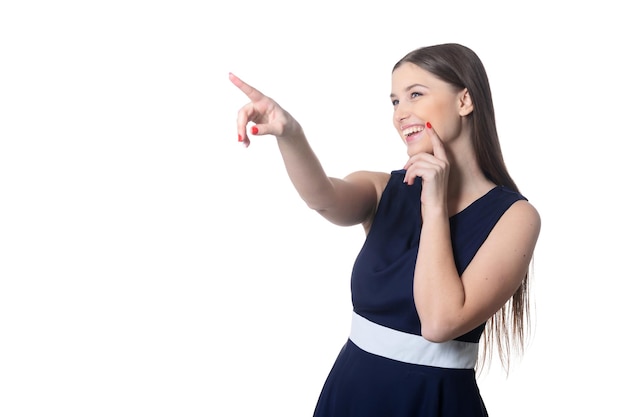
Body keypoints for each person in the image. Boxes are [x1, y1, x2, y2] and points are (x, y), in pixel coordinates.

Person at [229, 43, 541, 417]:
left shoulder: (516, 217)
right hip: (351, 394)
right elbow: (323, 198)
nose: (401, 113)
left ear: (465, 101)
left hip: (434, 404)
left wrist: (436, 205)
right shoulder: (382, 189)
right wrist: (289, 133)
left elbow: (439, 322)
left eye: (415, 95)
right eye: (394, 101)